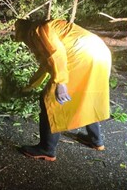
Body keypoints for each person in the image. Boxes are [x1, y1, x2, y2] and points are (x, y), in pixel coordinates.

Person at [14, 18, 111, 162]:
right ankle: (96, 141)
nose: (26, 44)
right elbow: (46, 64)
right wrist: (30, 86)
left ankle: (46, 149)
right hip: (100, 53)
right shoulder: (44, 29)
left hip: (82, 56)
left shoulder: (38, 31)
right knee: (86, 95)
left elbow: (56, 54)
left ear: (25, 32)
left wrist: (61, 83)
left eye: (23, 39)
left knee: (51, 99)